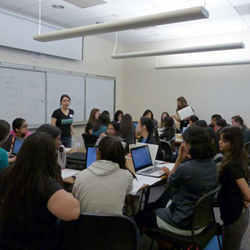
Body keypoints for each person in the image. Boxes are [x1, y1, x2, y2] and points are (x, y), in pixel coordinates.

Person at [0, 132, 80, 250]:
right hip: (38, 242)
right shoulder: (46, 184)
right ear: (51, 155)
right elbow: (72, 213)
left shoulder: (6, 174)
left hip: (7, 239)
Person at [135, 127, 217, 237]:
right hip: (201, 222)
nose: (182, 145)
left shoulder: (187, 168)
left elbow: (168, 184)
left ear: (192, 146)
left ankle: (166, 242)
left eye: (185, 142)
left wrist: (179, 159)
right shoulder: (213, 165)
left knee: (140, 216)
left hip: (182, 222)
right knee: (153, 207)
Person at [72, 136, 133, 215]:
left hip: (85, 225)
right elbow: (128, 191)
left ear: (98, 153)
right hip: (115, 225)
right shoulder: (126, 176)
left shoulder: (81, 176)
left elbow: (75, 197)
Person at [218, 127, 250, 250]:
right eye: (220, 139)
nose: (219, 142)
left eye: (224, 141)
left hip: (235, 217)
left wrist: (245, 199)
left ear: (233, 144)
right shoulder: (238, 158)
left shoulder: (232, 165)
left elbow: (248, 195)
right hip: (236, 214)